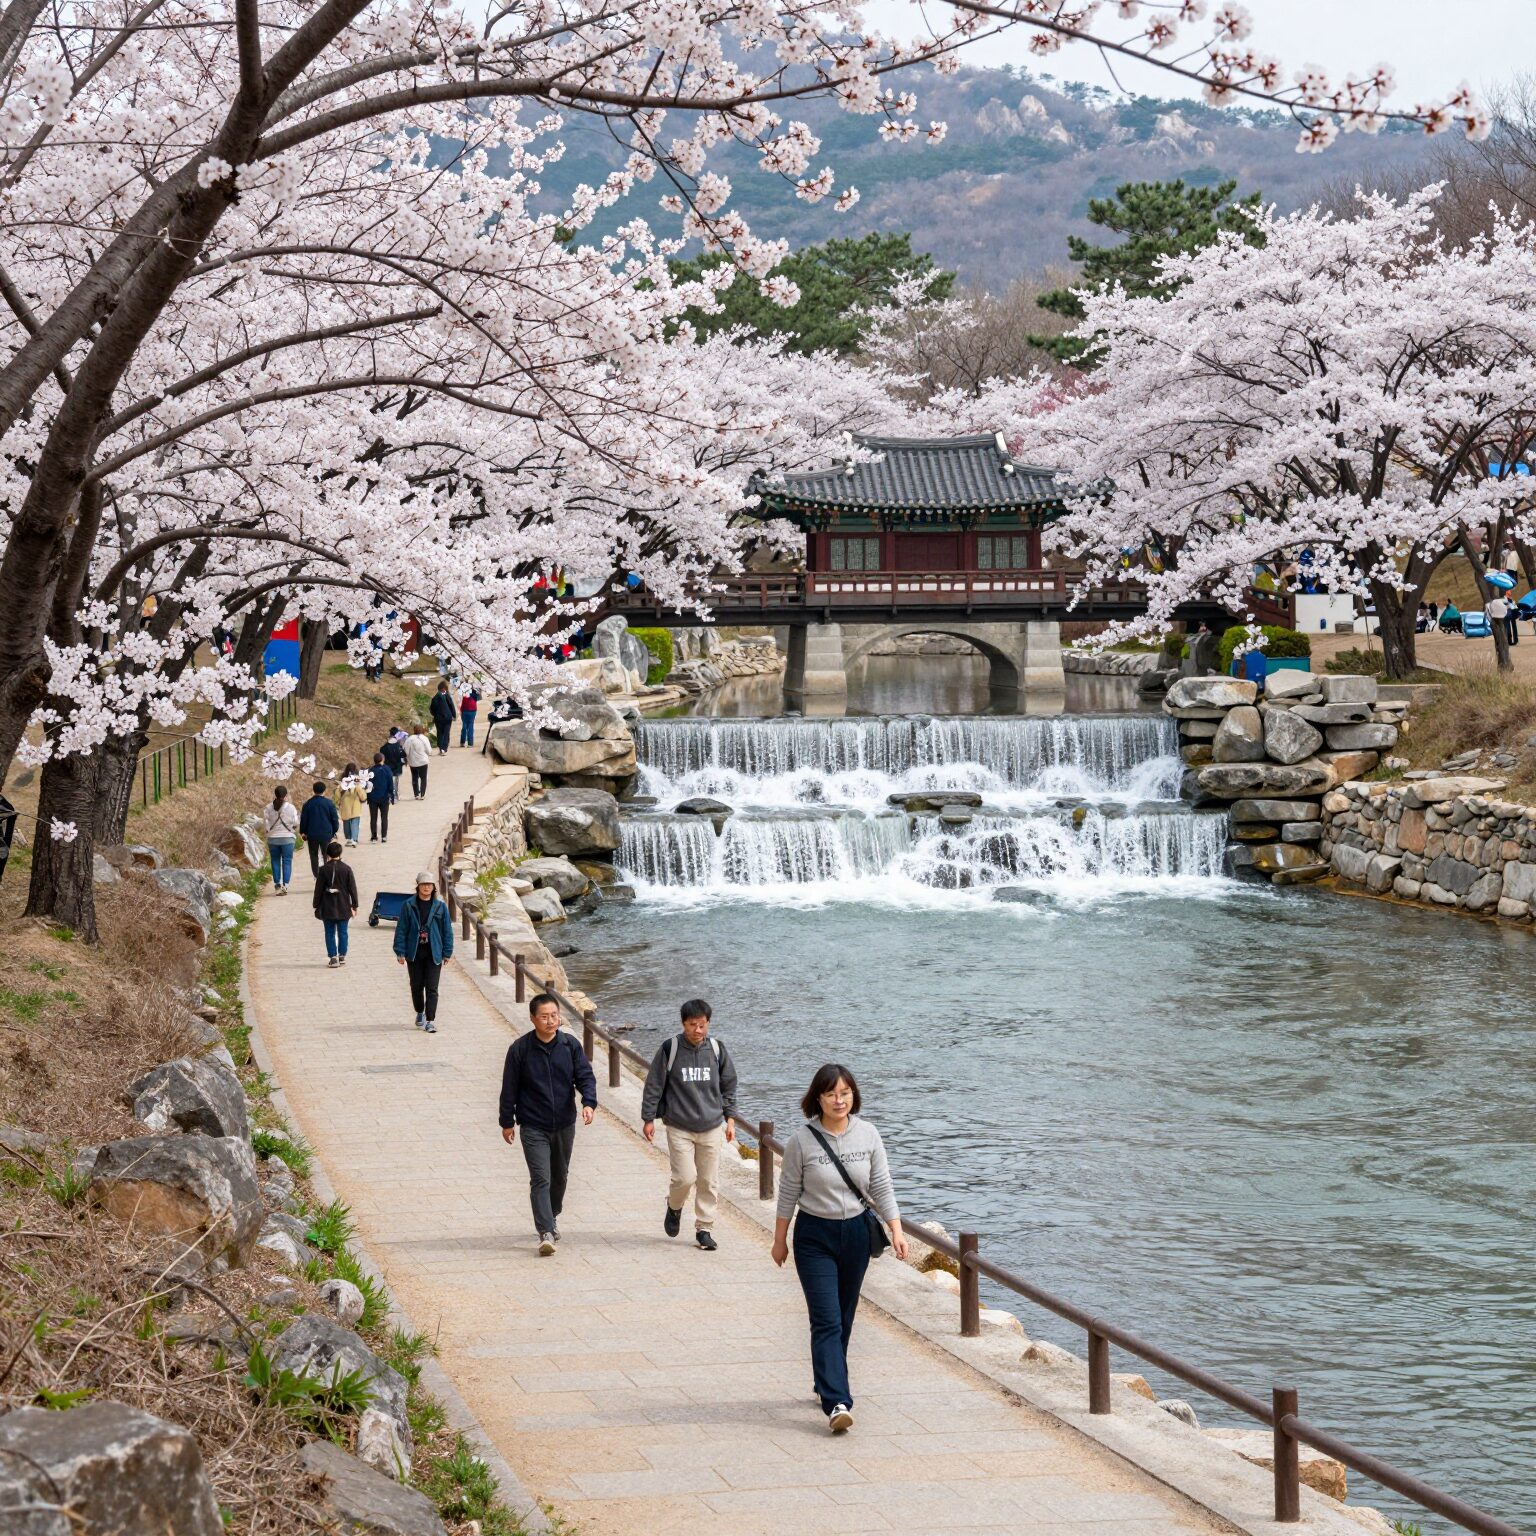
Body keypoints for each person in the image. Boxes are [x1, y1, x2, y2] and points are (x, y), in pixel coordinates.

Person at [772, 1063, 908, 1435]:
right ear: (817, 1097)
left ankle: (825, 1379)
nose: (838, 1100)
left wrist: (896, 1230)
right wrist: (779, 1239)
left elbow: (882, 1185)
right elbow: (787, 1193)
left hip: (856, 1235)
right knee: (826, 1318)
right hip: (814, 1234)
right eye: (831, 1093)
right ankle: (837, 1401)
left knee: (844, 1316)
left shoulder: (868, 1135)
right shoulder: (802, 1140)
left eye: (845, 1093)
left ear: (854, 1096)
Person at [499, 993, 598, 1255]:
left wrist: (589, 1103)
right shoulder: (519, 1050)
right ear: (533, 1019)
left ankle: (551, 1214)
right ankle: (545, 1231)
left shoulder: (570, 1046)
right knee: (540, 1178)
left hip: (565, 1123)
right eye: (544, 1016)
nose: (550, 1021)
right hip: (533, 1125)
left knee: (560, 1177)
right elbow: (509, 1088)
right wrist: (506, 1121)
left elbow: (585, 1077)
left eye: (554, 1015)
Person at [640, 999, 737, 1252]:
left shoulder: (716, 1050)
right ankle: (674, 1207)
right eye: (692, 1025)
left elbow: (729, 1086)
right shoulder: (670, 1049)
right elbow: (654, 1085)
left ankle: (704, 1229)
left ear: (708, 1024)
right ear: (683, 1024)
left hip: (712, 1125)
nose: (698, 1030)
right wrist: (648, 1118)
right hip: (679, 1125)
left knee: (708, 1180)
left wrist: (731, 1119)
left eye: (702, 1025)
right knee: (685, 1178)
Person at [392, 871, 453, 1033]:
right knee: (416, 986)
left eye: (429, 885)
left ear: (433, 887)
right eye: (423, 885)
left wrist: (447, 952)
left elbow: (447, 931)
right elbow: (401, 929)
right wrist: (400, 951)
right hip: (414, 952)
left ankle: (430, 1020)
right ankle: (420, 1011)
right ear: (418, 886)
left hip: (434, 953)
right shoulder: (408, 905)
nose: (426, 887)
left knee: (432, 988)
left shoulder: (441, 906)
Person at [312, 841, 359, 967]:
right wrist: (354, 906)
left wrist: (316, 904)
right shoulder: (347, 869)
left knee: (329, 932)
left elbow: (318, 889)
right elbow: (352, 889)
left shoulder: (323, 870)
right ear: (340, 853)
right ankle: (342, 954)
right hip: (344, 906)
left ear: (327, 854)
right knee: (343, 932)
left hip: (328, 906)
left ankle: (333, 957)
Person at [298, 780, 341, 881]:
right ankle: (327, 875)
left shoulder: (307, 804)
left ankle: (317, 876)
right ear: (324, 790)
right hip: (326, 834)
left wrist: (303, 832)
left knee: (314, 856)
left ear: (313, 790)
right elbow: (334, 818)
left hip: (312, 835)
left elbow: (304, 820)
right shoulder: (329, 803)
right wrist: (334, 830)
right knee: (326, 855)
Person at [262, 784, 299, 893]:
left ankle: (277, 885)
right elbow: (296, 822)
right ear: (286, 795)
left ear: (275, 794)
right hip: (288, 838)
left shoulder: (268, 807)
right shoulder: (291, 807)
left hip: (273, 838)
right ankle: (285, 885)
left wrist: (268, 831)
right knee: (287, 861)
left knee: (275, 861)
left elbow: (265, 823)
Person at [365, 752, 392, 843]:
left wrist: (368, 796)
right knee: (384, 817)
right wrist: (391, 794)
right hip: (384, 797)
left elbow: (367, 784)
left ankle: (374, 837)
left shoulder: (370, 770)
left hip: (372, 798)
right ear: (382, 759)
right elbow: (390, 783)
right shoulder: (387, 769)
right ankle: (384, 836)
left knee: (373, 818)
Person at [337, 764, 365, 847]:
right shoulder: (357, 780)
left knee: (346, 822)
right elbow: (362, 796)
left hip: (345, 805)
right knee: (355, 822)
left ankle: (349, 838)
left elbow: (337, 794)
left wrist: (337, 802)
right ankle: (354, 839)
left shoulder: (342, 780)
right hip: (355, 805)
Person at [405, 727, 432, 799]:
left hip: (413, 762)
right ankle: (422, 794)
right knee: (423, 778)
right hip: (423, 761)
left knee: (414, 777)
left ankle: (416, 794)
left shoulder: (409, 739)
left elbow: (406, 752)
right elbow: (429, 751)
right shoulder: (424, 739)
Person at [379, 730, 406, 804]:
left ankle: (389, 796)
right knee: (395, 782)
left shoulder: (384, 748)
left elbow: (381, 754)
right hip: (397, 767)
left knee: (388, 782)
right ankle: (395, 796)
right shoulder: (398, 746)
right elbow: (403, 755)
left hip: (387, 767)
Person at [429, 682, 456, 754]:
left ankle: (441, 748)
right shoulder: (447, 696)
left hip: (438, 718)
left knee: (440, 733)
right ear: (443, 689)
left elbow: (432, 708)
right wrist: (454, 715)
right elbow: (451, 706)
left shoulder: (435, 697)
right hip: (447, 717)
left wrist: (434, 714)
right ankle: (444, 748)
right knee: (446, 733)